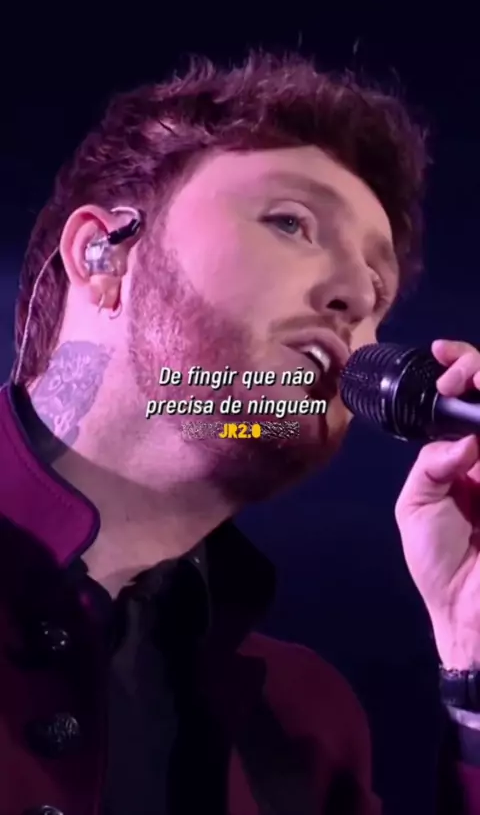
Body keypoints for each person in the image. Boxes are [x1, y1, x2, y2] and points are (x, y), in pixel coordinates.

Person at [2, 50, 480, 815]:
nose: (358, 296)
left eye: (380, 287)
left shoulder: (307, 722)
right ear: (102, 255)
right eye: (290, 222)